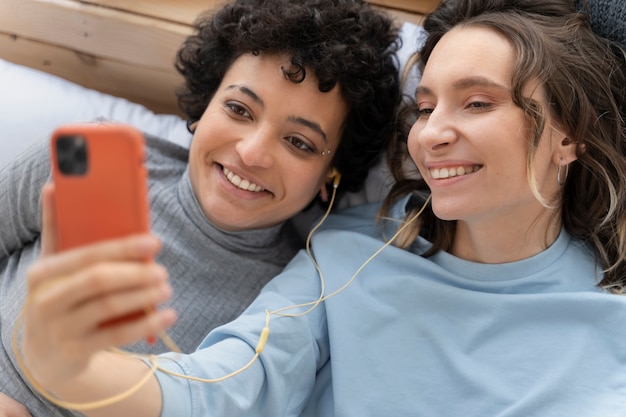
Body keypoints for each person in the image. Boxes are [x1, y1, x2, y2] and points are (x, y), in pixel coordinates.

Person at [17, 0, 626, 415]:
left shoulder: (609, 310)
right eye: (425, 106)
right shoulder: (345, 258)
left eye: (476, 104)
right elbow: (222, 391)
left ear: (569, 134)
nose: (431, 134)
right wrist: (68, 369)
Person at [0, 0, 402, 416]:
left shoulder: (284, 306)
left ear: (330, 175)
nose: (252, 152)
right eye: (239, 109)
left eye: (299, 142)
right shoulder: (89, 156)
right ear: (205, 105)